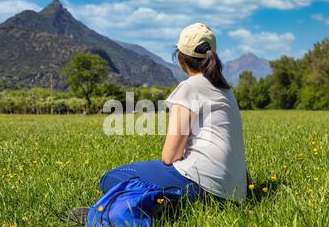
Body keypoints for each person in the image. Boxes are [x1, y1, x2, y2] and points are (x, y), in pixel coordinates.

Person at [98, 23, 247, 203]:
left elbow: (170, 156)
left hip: (203, 186)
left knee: (112, 178)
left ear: (180, 58)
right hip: (235, 193)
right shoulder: (225, 90)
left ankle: (153, 207)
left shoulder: (189, 87)